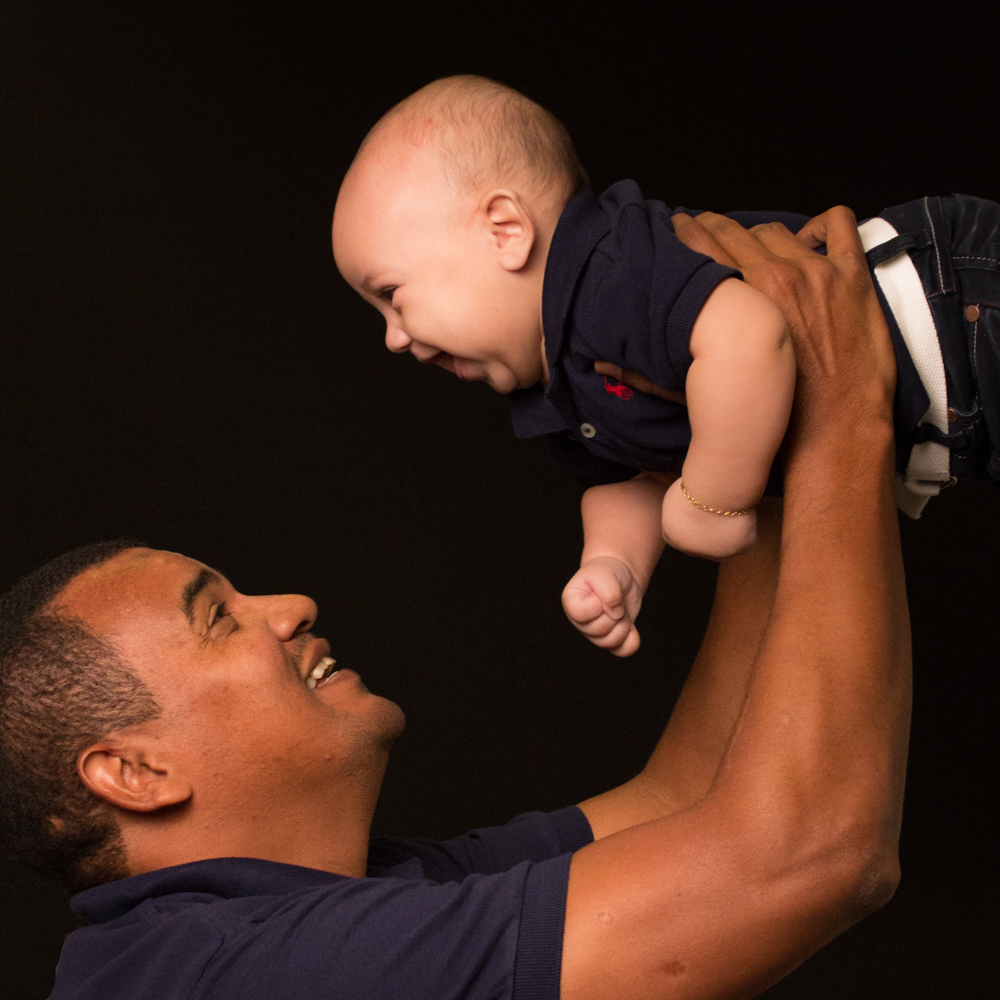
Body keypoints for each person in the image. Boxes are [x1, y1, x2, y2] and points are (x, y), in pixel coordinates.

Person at [0, 207, 911, 1000]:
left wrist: (755, 436)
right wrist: (844, 421)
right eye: (218, 617)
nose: (291, 605)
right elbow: (808, 858)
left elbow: (688, 800)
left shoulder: (324, 905)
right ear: (135, 774)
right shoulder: (242, 973)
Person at [332, 74, 999, 656]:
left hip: (957, 306)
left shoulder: (608, 276)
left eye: (391, 295)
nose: (393, 339)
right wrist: (613, 564)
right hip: (952, 390)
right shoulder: (560, 382)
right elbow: (637, 481)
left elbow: (748, 337)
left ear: (506, 231)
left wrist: (712, 497)